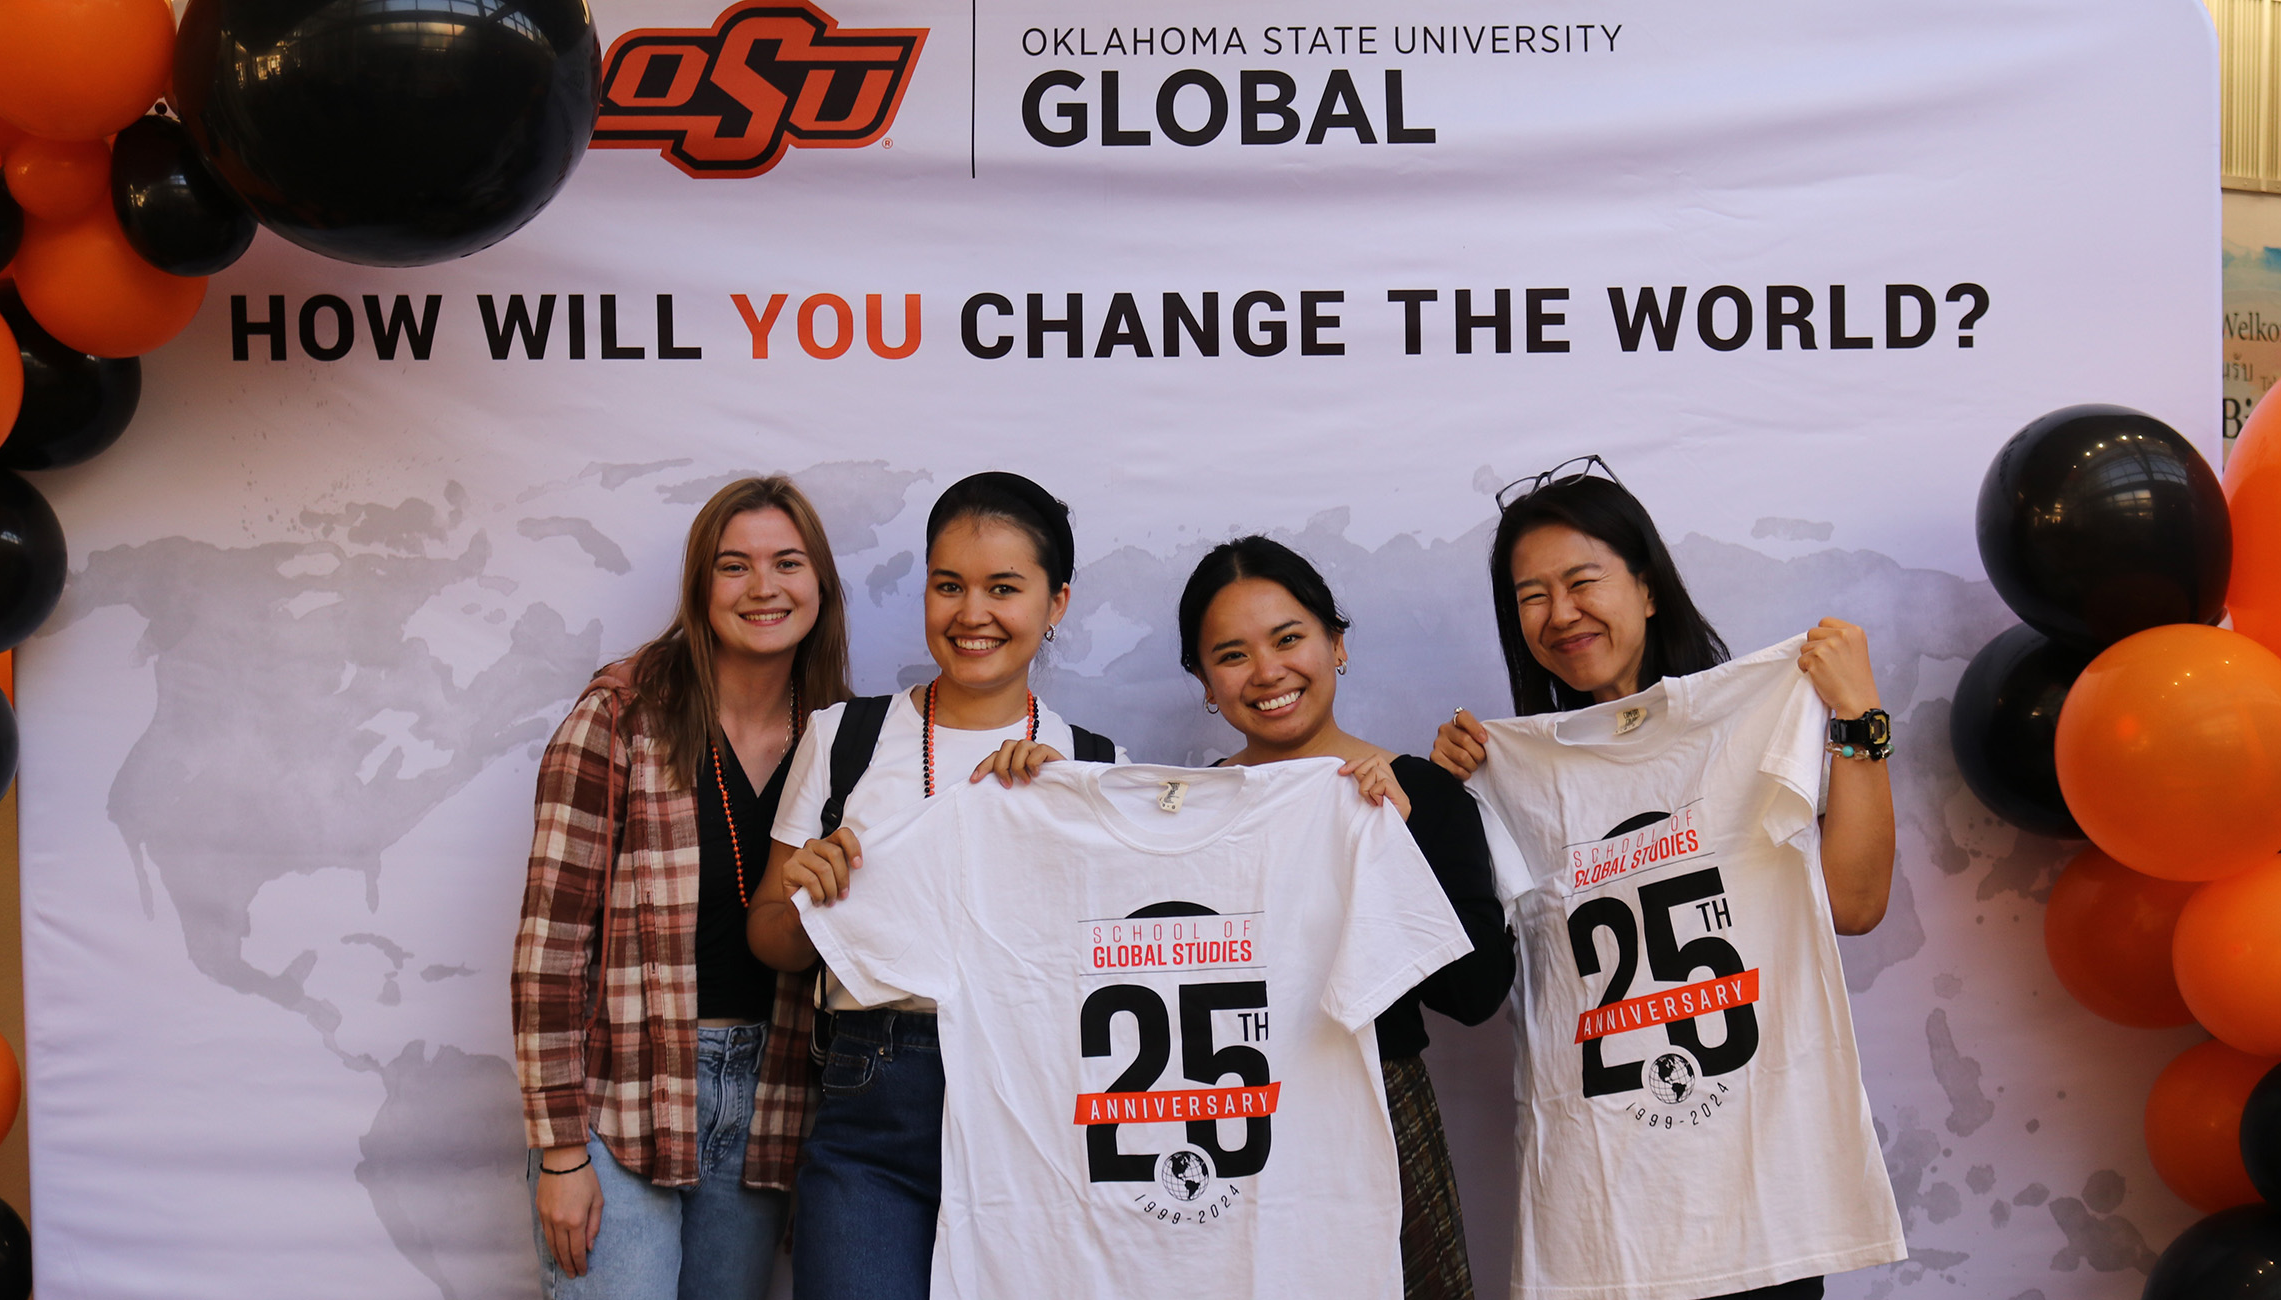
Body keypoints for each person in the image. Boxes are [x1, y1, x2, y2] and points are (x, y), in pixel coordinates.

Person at [1431, 457, 1899, 1300]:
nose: (1560, 613)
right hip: (1605, 1222)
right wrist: (1448, 805)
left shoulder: (1758, 718)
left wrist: (1859, 720)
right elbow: (1475, 977)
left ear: (1647, 588)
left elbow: (1856, 904)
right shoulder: (1507, 774)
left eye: (1582, 581)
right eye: (1531, 596)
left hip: (1761, 1209)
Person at [748, 471, 1124, 1300]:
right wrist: (808, 902)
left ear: (1056, 604)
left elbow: (1115, 965)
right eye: (948, 585)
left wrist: (1069, 817)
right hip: (870, 1105)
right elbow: (770, 938)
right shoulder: (843, 737)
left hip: (1037, 1109)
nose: (972, 613)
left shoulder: (1094, 767)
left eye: (1004, 588)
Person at [512, 475, 853, 1299]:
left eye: (788, 563)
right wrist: (561, 1154)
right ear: (701, 587)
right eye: (734, 566)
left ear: (821, 585)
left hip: (770, 1099)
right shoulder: (623, 714)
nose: (763, 588)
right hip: (625, 1095)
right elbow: (549, 951)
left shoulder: (843, 737)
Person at [1178, 535, 1514, 1300]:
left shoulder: (1417, 794)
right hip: (1231, 1125)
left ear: (1337, 644)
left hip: (1378, 1116)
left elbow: (1476, 995)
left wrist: (1396, 852)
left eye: (1290, 638)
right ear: (1204, 682)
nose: (1267, 671)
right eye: (1231, 654)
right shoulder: (1189, 810)